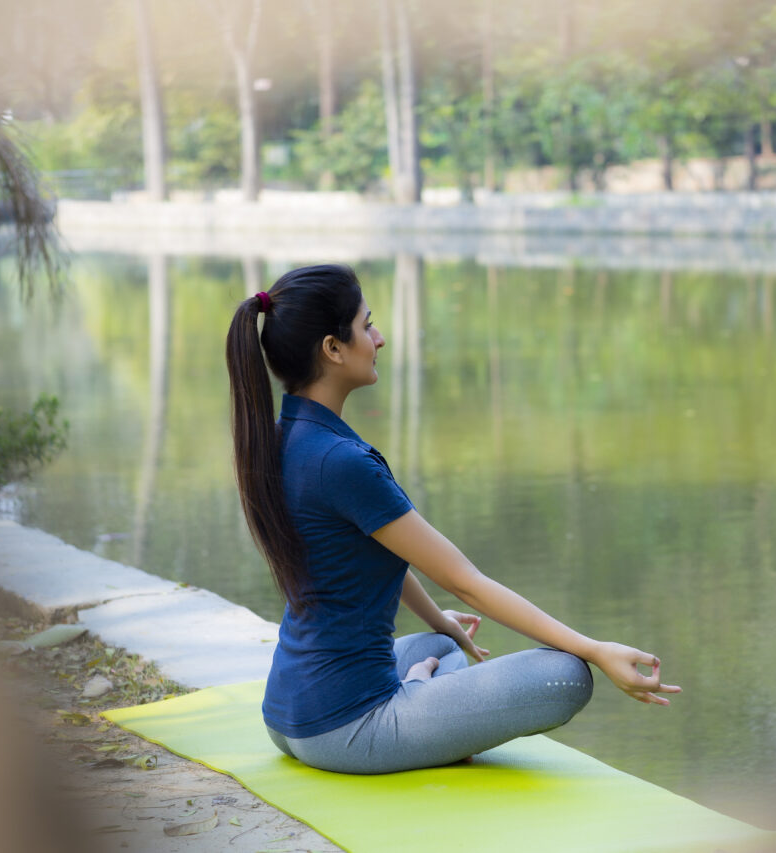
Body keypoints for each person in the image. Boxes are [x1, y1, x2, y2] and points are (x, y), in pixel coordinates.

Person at [225, 264, 680, 775]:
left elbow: (368, 552)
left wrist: (439, 620)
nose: (379, 338)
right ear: (333, 348)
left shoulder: (287, 437)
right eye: (366, 325)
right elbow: (468, 584)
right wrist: (595, 650)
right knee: (565, 675)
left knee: (445, 643)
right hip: (347, 730)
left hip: (288, 715)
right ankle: (418, 691)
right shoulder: (341, 462)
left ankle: (423, 689)